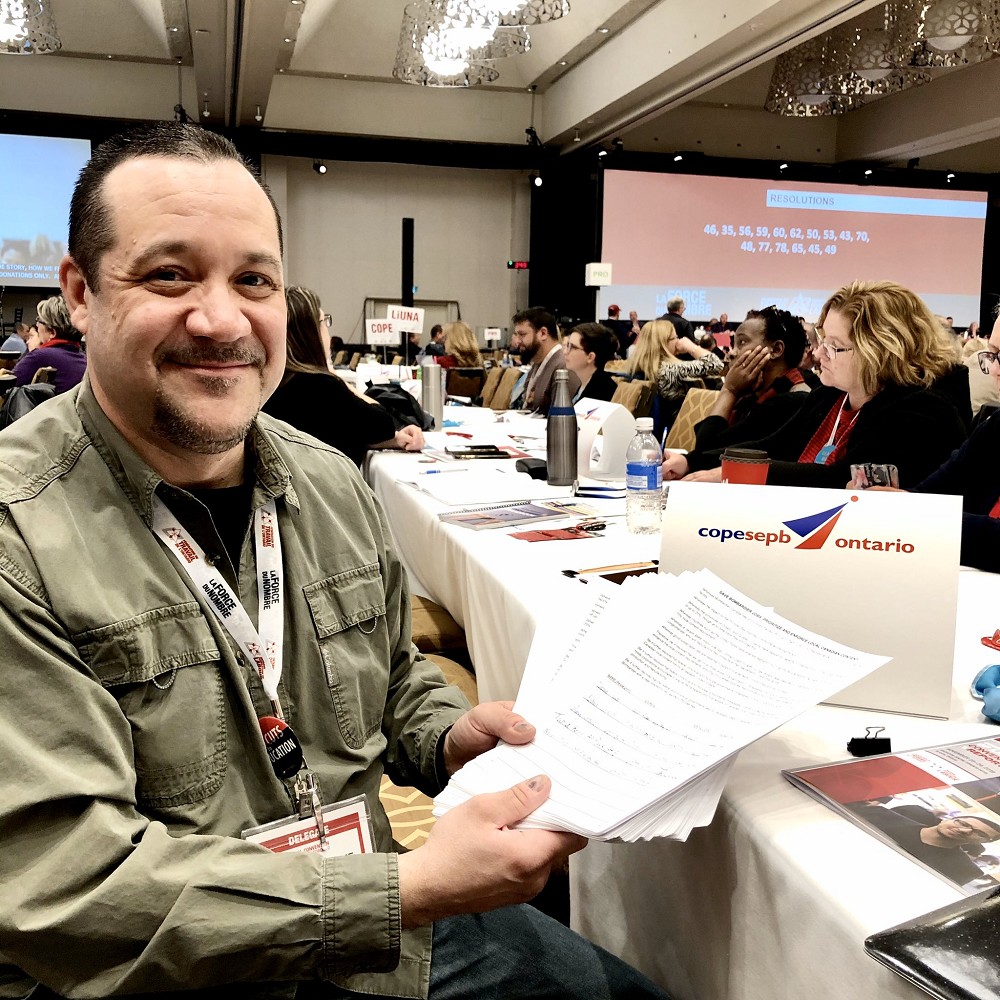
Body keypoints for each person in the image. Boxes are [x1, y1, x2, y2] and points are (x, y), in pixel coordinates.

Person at [0, 123, 670, 1000]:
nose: (221, 318)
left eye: (254, 280)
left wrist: (445, 733)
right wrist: (409, 889)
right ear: (80, 296)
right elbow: (69, 889)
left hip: (368, 929)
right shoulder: (19, 537)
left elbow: (391, 671)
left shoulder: (326, 481)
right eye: (169, 275)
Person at [682, 281, 970, 489]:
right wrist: (691, 463)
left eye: (834, 347)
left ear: (880, 353)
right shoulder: (830, 396)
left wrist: (738, 472)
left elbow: (839, 479)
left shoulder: (922, 413)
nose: (818, 355)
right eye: (822, 342)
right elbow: (772, 446)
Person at [262, 285, 424, 465]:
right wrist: (335, 376)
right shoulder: (320, 386)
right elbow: (383, 424)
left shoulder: (275, 382)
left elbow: (338, 431)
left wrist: (395, 439)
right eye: (324, 322)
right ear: (311, 332)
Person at [663, 307, 812, 480]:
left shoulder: (793, 400)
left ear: (776, 349)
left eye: (742, 342)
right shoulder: (755, 394)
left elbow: (707, 450)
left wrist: (729, 391)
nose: (732, 353)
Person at [847, 803, 1000, 888]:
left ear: (984, 842)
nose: (964, 830)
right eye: (962, 823)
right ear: (949, 819)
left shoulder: (965, 870)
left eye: (980, 834)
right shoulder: (882, 816)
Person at [628, 319, 723, 426]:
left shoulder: (637, 367)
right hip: (677, 429)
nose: (679, 340)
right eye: (675, 337)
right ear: (664, 343)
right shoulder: (670, 370)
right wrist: (691, 347)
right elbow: (716, 364)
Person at [509, 306, 580, 413]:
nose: (517, 341)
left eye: (522, 335)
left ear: (543, 333)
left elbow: (559, 416)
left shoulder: (564, 366)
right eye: (517, 335)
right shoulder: (538, 362)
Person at [11, 293, 87, 393]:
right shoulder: (84, 357)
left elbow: (6, 386)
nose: (36, 326)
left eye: (39, 321)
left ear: (52, 332)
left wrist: (31, 351)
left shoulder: (40, 356)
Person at [563, 322, 619, 402]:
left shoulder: (602, 392)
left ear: (590, 357)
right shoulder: (585, 384)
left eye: (572, 347)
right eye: (567, 345)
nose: (565, 352)